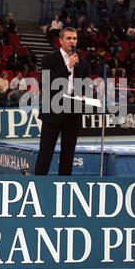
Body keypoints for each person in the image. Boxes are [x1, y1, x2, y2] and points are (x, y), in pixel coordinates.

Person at [34, 27, 90, 175]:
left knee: (68, 154)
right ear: (60, 41)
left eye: (75, 38)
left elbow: (85, 85)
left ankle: (64, 184)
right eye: (69, 38)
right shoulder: (49, 59)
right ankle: (39, 183)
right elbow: (47, 83)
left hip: (73, 112)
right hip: (53, 110)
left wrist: (84, 95)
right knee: (46, 151)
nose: (72, 41)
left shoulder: (83, 63)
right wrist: (68, 66)